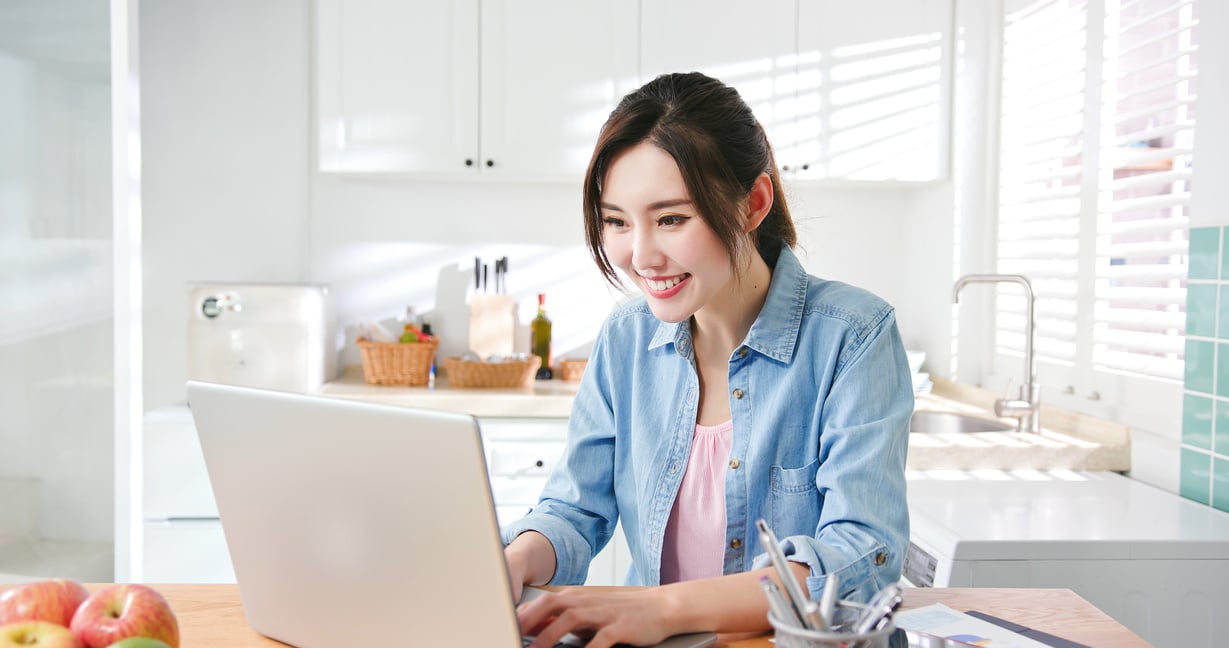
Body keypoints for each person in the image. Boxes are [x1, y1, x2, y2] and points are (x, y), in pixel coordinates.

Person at [502, 71, 912, 648]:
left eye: (671, 218)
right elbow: (574, 509)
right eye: (616, 220)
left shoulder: (852, 336)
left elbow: (858, 561)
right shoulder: (626, 338)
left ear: (753, 205)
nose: (640, 255)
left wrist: (666, 608)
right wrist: (514, 560)